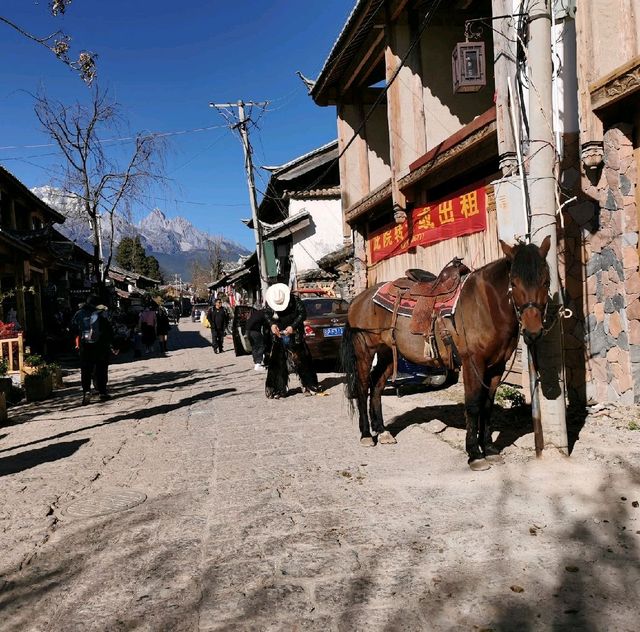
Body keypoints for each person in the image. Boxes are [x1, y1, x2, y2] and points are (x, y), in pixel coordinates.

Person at [263, 283, 321, 399]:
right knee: (277, 363)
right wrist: (272, 325)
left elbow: (302, 314)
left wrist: (293, 327)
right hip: (278, 335)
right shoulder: (269, 302)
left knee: (303, 360)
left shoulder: (295, 300)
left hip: (295, 335)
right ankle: (277, 389)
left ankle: (309, 385)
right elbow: (267, 315)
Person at [71, 295, 114, 405]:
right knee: (101, 369)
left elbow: (73, 329)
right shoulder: (101, 313)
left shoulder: (79, 314)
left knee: (86, 370)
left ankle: (86, 391)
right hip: (100, 346)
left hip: (85, 346)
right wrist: (113, 344)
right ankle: (102, 392)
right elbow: (109, 330)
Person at [245, 306, 267, 371]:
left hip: (248, 331)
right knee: (261, 346)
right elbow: (266, 324)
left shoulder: (255, 314)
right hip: (255, 332)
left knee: (254, 347)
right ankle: (258, 363)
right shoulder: (263, 314)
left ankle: (256, 363)